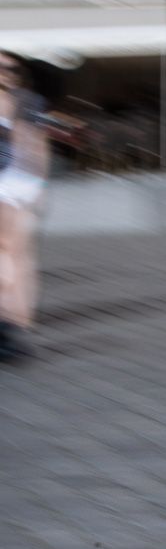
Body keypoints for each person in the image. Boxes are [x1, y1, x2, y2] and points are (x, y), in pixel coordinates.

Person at [0, 51, 48, 362]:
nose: (6, 72)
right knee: (11, 254)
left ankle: (13, 324)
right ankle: (12, 326)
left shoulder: (27, 100)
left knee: (15, 254)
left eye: (11, 68)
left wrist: (39, 186)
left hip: (14, 185)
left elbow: (37, 143)